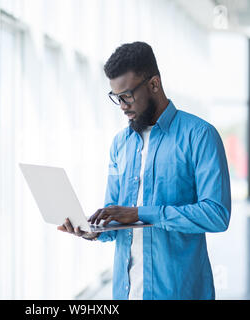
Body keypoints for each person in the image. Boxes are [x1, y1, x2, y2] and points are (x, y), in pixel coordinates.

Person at [58, 41, 231, 300]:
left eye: (127, 95)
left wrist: (142, 214)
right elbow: (116, 214)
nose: (122, 105)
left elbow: (216, 214)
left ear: (153, 84)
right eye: (116, 98)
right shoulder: (120, 144)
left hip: (179, 292)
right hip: (126, 293)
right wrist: (95, 230)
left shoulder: (200, 136)